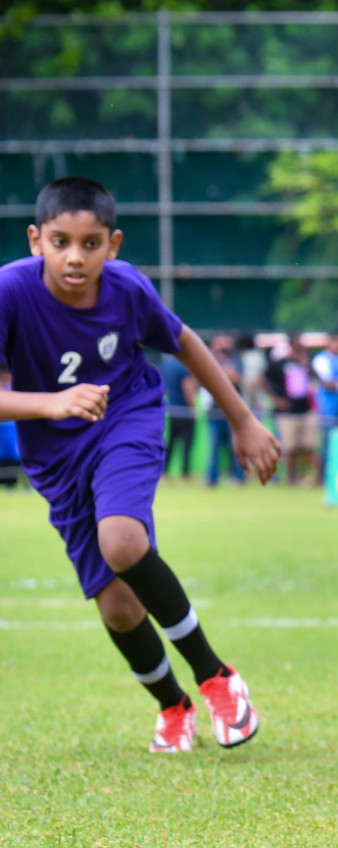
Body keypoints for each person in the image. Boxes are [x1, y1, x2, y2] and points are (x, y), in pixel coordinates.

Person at [0, 176, 277, 751]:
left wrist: (243, 420)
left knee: (123, 543)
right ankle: (173, 706)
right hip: (53, 457)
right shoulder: (9, 292)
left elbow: (185, 342)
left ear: (114, 244)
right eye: (60, 242)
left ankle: (215, 677)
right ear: (35, 240)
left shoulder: (126, 289)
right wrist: (51, 403)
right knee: (120, 609)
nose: (76, 257)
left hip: (126, 418)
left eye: (92, 243)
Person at [268, 340, 319, 485]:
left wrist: (306, 364)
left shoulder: (305, 362)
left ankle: (318, 479)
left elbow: (317, 377)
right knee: (291, 449)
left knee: (310, 447)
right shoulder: (280, 364)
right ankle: (291, 479)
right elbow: (263, 379)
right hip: (287, 413)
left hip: (306, 410)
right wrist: (276, 399)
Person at [203, 333, 247, 487]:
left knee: (235, 446)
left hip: (232, 412)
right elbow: (206, 378)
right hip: (214, 411)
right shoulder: (208, 358)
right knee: (213, 446)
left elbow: (237, 378)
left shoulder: (236, 358)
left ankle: (239, 478)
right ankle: (211, 479)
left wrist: (221, 374)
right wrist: (225, 374)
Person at [312, 331, 338, 477]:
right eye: (334, 342)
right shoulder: (321, 360)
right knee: (326, 443)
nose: (337, 345)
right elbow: (327, 383)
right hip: (328, 408)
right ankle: (322, 477)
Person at [159, 347, 196, 481]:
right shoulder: (183, 365)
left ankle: (164, 473)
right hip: (184, 410)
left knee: (170, 442)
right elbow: (188, 386)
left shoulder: (165, 364)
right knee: (187, 443)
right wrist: (192, 408)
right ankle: (185, 474)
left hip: (170, 410)